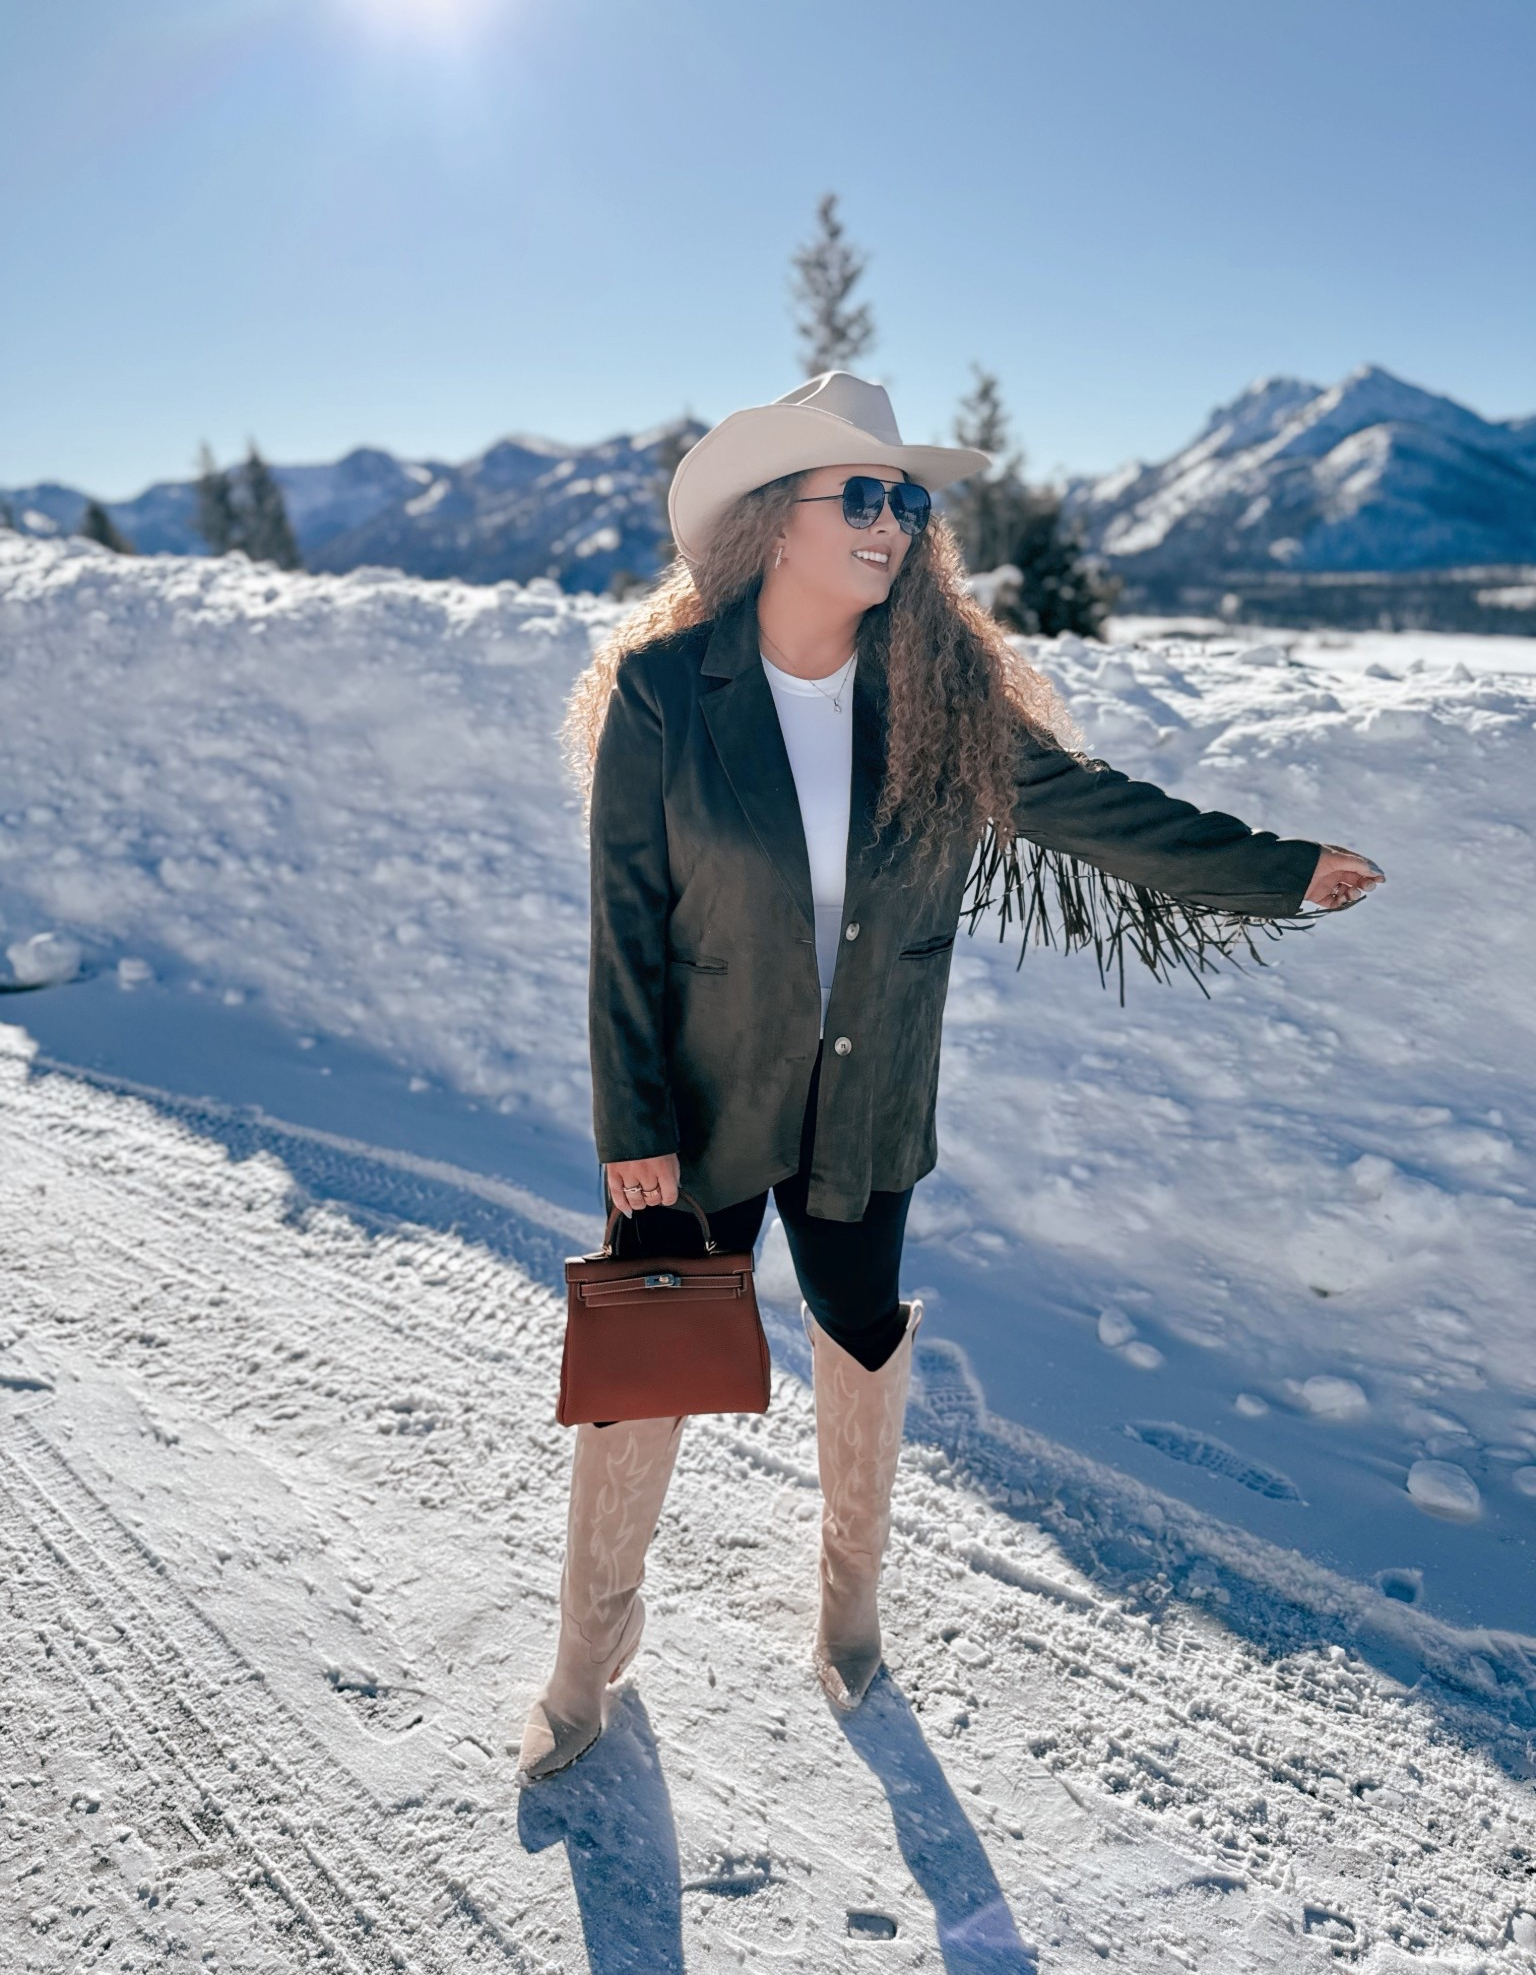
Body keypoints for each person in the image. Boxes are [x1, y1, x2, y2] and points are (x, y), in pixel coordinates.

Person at [515, 370, 1384, 1784]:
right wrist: (635, 1135)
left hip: (864, 1100)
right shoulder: (668, 694)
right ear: (770, 523)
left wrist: (1273, 869)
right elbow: (622, 930)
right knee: (647, 1374)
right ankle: (584, 1658)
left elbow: (1096, 813)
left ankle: (849, 1608)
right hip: (701, 1100)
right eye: (857, 496)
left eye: (908, 502)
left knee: (859, 1339)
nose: (890, 523)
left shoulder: (938, 695)